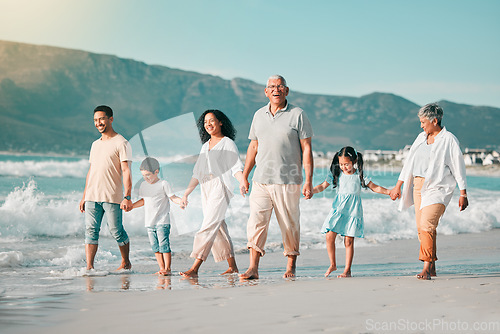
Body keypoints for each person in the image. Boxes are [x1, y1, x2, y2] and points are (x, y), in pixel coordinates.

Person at [239, 75, 314, 279]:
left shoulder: (297, 114)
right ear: (266, 91)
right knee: (256, 222)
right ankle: (253, 268)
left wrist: (308, 180)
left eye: (280, 86)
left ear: (286, 91)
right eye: (272, 86)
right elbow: (253, 146)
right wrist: (245, 175)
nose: (276, 90)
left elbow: (306, 148)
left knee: (289, 224)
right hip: (260, 180)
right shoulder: (258, 115)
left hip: (288, 181)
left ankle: (291, 264)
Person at [389, 103, 468, 280]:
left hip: (438, 188)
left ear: (435, 120)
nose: (421, 125)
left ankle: (425, 267)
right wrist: (398, 185)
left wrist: (463, 193)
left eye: (423, 121)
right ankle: (432, 266)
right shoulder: (420, 137)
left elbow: (458, 167)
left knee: (427, 225)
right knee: (421, 228)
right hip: (417, 186)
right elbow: (409, 163)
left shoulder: (449, 140)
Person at [179, 110, 246, 277]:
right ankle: (233, 266)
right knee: (219, 227)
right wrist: (186, 193)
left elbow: (236, 167)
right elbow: (197, 173)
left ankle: (195, 267)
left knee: (208, 226)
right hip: (206, 188)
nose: (208, 124)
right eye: (205, 122)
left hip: (220, 187)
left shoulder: (227, 143)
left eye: (212, 121)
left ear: (220, 122)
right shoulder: (205, 146)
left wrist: (243, 181)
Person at [313, 146, 391, 277]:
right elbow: (322, 186)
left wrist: (389, 192)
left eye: (347, 164)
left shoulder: (359, 175)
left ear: (354, 161)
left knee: (348, 241)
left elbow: (375, 187)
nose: (344, 167)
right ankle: (333, 264)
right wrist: (311, 190)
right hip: (338, 209)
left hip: (353, 211)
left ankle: (347, 270)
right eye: (341, 164)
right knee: (329, 235)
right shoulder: (336, 173)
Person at [79, 105, 133, 272]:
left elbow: (126, 171)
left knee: (116, 231)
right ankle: (89, 267)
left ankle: (125, 261)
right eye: (95, 120)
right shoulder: (95, 144)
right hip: (92, 195)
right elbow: (91, 171)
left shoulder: (122, 142)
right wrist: (84, 196)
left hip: (112, 196)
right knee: (90, 230)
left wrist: (127, 196)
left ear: (111, 119)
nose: (98, 123)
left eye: (101, 119)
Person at [130, 157, 183, 276]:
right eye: (143, 175)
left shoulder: (163, 184)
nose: (146, 178)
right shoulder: (143, 185)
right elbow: (143, 200)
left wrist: (181, 201)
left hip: (162, 220)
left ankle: (167, 268)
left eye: (148, 175)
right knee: (155, 246)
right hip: (149, 222)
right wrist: (132, 206)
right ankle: (161, 268)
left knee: (164, 244)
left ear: (156, 171)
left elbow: (172, 197)